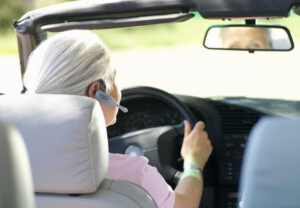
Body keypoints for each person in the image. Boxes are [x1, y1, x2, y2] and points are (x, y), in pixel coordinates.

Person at [23, 30, 213, 208]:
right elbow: (185, 204)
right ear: (97, 92)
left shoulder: (13, 165)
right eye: (114, 78)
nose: (118, 89)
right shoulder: (135, 173)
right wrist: (193, 162)